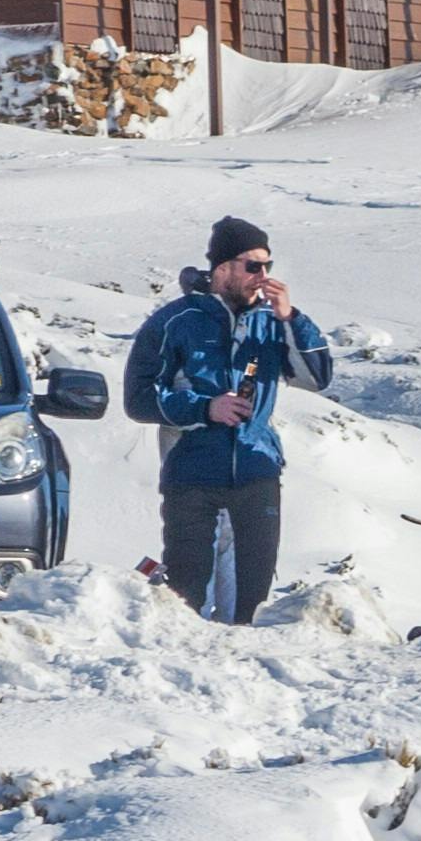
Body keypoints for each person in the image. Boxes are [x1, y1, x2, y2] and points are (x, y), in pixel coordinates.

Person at [141, 217, 333, 623]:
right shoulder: (175, 321)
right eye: (253, 266)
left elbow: (317, 378)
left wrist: (291, 318)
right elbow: (139, 398)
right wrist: (204, 409)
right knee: (186, 601)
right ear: (223, 267)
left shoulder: (272, 323)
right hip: (192, 474)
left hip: (256, 474)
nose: (262, 276)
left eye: (268, 266)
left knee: (253, 607)